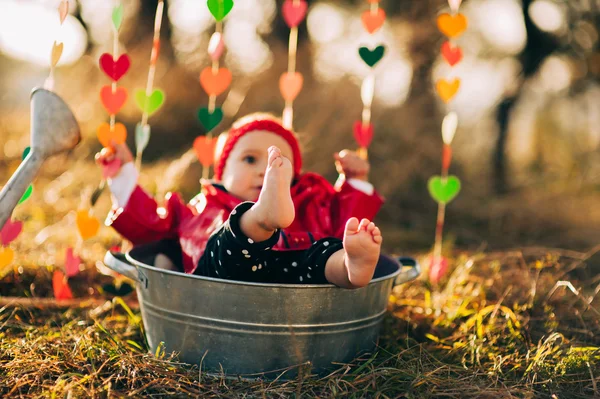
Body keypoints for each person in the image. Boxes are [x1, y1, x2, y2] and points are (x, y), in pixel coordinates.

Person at [96, 114, 385, 288]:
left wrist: (355, 180)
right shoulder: (201, 208)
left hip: (288, 276)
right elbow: (150, 225)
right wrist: (122, 175)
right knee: (229, 239)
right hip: (219, 280)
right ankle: (259, 217)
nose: (262, 169)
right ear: (223, 171)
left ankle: (349, 268)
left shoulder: (308, 204)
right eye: (249, 159)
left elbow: (340, 220)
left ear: (291, 178)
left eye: (277, 163)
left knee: (320, 253)